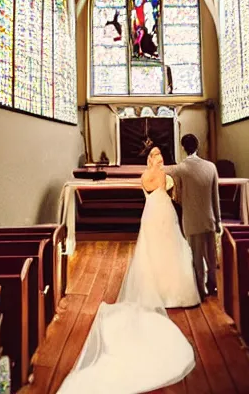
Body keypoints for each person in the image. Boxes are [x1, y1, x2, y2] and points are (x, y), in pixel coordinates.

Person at [57, 147, 199, 393]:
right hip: (162, 213)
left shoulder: (145, 175)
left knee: (157, 249)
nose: (159, 159)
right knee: (166, 248)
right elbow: (170, 189)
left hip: (154, 213)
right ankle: (171, 291)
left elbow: (153, 187)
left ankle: (161, 288)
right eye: (158, 157)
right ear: (155, 159)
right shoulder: (162, 175)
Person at [164, 134, 222, 299]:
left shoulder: (181, 168)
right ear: (197, 147)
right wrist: (218, 220)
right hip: (209, 218)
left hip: (191, 220)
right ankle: (213, 287)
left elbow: (163, 170)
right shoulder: (211, 167)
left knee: (196, 258)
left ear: (183, 148)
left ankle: (201, 291)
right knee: (211, 257)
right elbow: (215, 196)